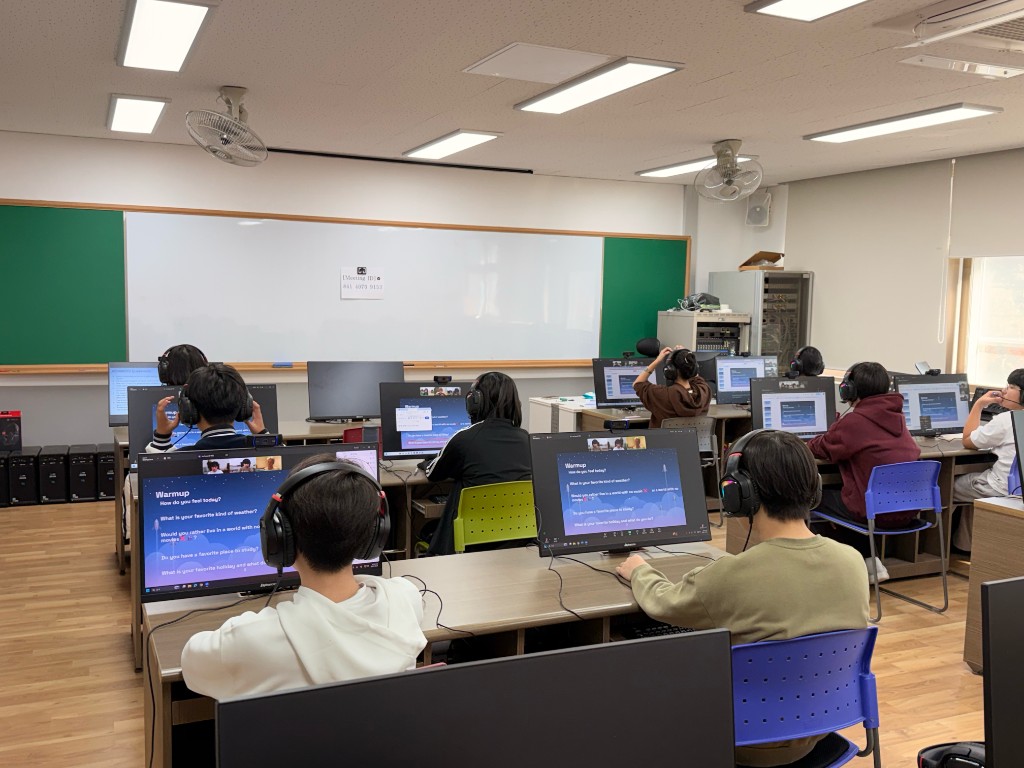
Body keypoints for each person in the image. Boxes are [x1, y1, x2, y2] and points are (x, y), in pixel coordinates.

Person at [616, 430, 868, 767]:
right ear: (814, 488)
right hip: (818, 734)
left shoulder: (731, 575)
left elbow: (662, 604)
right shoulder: (852, 561)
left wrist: (639, 570)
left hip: (742, 745)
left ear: (738, 492)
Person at [181, 455, 427, 699]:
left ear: (280, 539)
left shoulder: (249, 639)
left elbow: (190, 665)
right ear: (373, 536)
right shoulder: (406, 597)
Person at [807, 362, 920, 568]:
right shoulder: (898, 418)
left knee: (807, 496)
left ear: (848, 389)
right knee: (851, 495)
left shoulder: (855, 421)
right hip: (908, 510)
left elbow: (818, 449)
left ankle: (835, 566)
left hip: (874, 512)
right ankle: (869, 560)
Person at [423, 371, 531, 555]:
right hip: (517, 545)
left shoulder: (464, 439)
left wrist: (428, 462)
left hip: (469, 545)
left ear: (474, 403)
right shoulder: (528, 440)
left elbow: (433, 474)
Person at [952, 369, 1024, 552]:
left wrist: (978, 404)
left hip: (1001, 488)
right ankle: (963, 547)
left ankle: (939, 548)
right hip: (1017, 488)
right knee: (973, 484)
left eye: (1011, 387)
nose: (1005, 390)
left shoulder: (1006, 420)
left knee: (947, 485)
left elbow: (968, 440)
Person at [146, 363, 268, 452]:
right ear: (244, 408)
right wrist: (263, 435)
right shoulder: (271, 454)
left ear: (189, 409)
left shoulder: (180, 458)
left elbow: (155, 466)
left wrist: (162, 436)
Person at [632, 346, 711, 428]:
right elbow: (696, 377)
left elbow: (637, 383)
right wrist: (687, 358)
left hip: (666, 441)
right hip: (694, 440)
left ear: (669, 371)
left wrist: (657, 360)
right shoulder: (704, 391)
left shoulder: (663, 395)